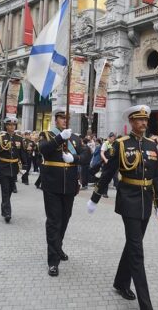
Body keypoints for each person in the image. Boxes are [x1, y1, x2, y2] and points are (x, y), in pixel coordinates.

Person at [87, 105, 158, 310]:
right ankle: (146, 304)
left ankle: (121, 282)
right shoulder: (121, 144)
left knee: (133, 244)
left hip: (146, 200)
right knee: (137, 250)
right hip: (128, 199)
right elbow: (107, 172)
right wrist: (95, 198)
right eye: (139, 120)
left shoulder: (151, 145)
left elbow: (156, 177)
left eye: (145, 120)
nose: (144, 123)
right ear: (131, 122)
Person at [38, 109, 90, 277]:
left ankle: (58, 246)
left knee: (65, 218)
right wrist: (60, 138)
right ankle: (53, 261)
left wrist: (74, 159)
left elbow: (86, 153)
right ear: (56, 120)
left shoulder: (74, 138)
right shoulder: (47, 135)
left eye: (67, 118)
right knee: (54, 221)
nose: (64, 121)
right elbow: (43, 149)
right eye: (61, 118)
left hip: (69, 185)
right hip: (52, 184)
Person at [0, 117, 26, 223]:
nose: (12, 127)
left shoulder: (19, 138)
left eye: (14, 125)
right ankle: (7, 212)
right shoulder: (0, 137)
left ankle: (4, 206)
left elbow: (22, 153)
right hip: (3, 167)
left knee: (11, 189)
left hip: (14, 168)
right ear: (6, 126)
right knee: (5, 190)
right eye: (10, 125)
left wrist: (24, 166)